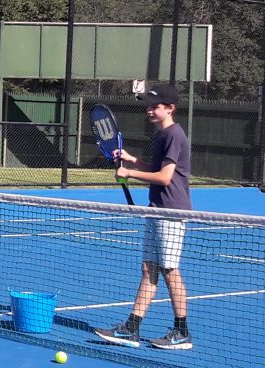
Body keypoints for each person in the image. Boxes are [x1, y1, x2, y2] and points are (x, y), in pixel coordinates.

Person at [94, 84, 193, 350]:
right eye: (148, 105)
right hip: (157, 209)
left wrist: (129, 173)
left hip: (171, 212)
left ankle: (182, 331)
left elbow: (165, 177)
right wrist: (132, 160)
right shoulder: (162, 136)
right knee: (149, 269)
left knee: (170, 271)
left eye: (155, 106)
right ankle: (131, 328)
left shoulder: (174, 135)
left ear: (170, 108)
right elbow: (156, 168)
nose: (149, 110)